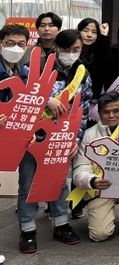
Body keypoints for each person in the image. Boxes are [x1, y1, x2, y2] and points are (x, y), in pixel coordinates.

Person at [18, 29, 92, 254]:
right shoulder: (36, 68)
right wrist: (45, 100)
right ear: (57, 48)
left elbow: (83, 109)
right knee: (28, 182)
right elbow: (22, 97)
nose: (72, 53)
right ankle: (27, 230)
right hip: (34, 137)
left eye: (77, 49)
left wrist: (75, 138)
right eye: (67, 49)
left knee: (59, 182)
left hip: (62, 138)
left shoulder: (82, 72)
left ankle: (61, 224)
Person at [72, 91, 119, 242]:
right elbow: (80, 168)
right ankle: (112, 211)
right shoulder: (89, 134)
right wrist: (92, 181)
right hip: (101, 188)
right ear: (99, 113)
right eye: (106, 112)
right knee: (99, 235)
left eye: (116, 111)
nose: (111, 115)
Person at [77, 18, 111, 103]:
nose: (89, 35)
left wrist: (104, 35)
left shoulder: (99, 52)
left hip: (93, 100)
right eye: (85, 31)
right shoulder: (71, 51)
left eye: (94, 32)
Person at [0, 24, 30, 97]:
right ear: (1, 44)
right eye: (10, 43)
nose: (16, 48)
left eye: (21, 44)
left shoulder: (25, 73)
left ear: (26, 47)